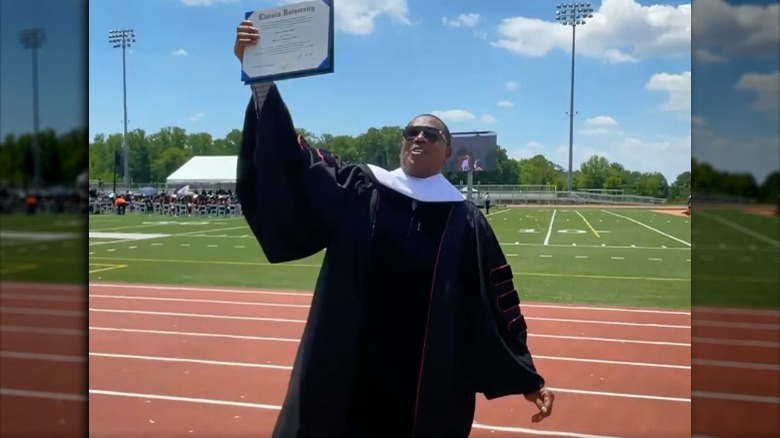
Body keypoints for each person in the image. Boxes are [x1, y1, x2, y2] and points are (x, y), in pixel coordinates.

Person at [233, 20, 554, 438]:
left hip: (426, 382)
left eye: (431, 133)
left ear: (448, 151)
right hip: (349, 366)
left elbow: (496, 305)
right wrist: (262, 81)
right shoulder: (360, 187)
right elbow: (293, 165)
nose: (418, 137)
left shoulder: (466, 220)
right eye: (411, 132)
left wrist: (527, 378)